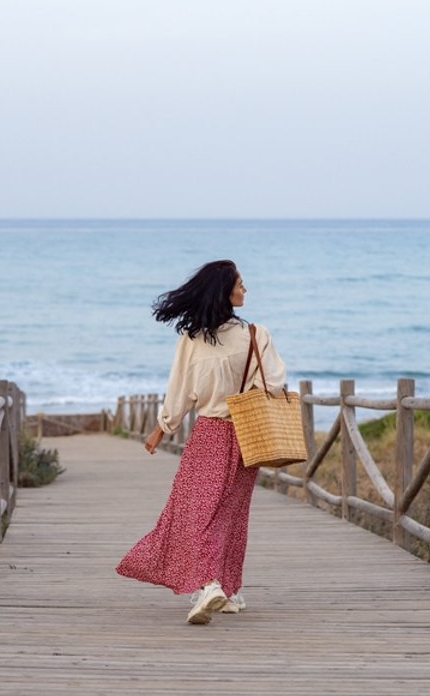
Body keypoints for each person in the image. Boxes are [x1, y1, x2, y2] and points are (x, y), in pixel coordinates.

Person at [115, 259, 287, 625]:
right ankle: (231, 591)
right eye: (241, 284)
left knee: (196, 513)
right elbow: (274, 384)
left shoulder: (191, 340)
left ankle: (209, 585)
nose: (245, 290)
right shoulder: (257, 334)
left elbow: (179, 391)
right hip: (248, 435)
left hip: (210, 433)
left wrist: (164, 426)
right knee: (231, 515)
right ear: (224, 291)